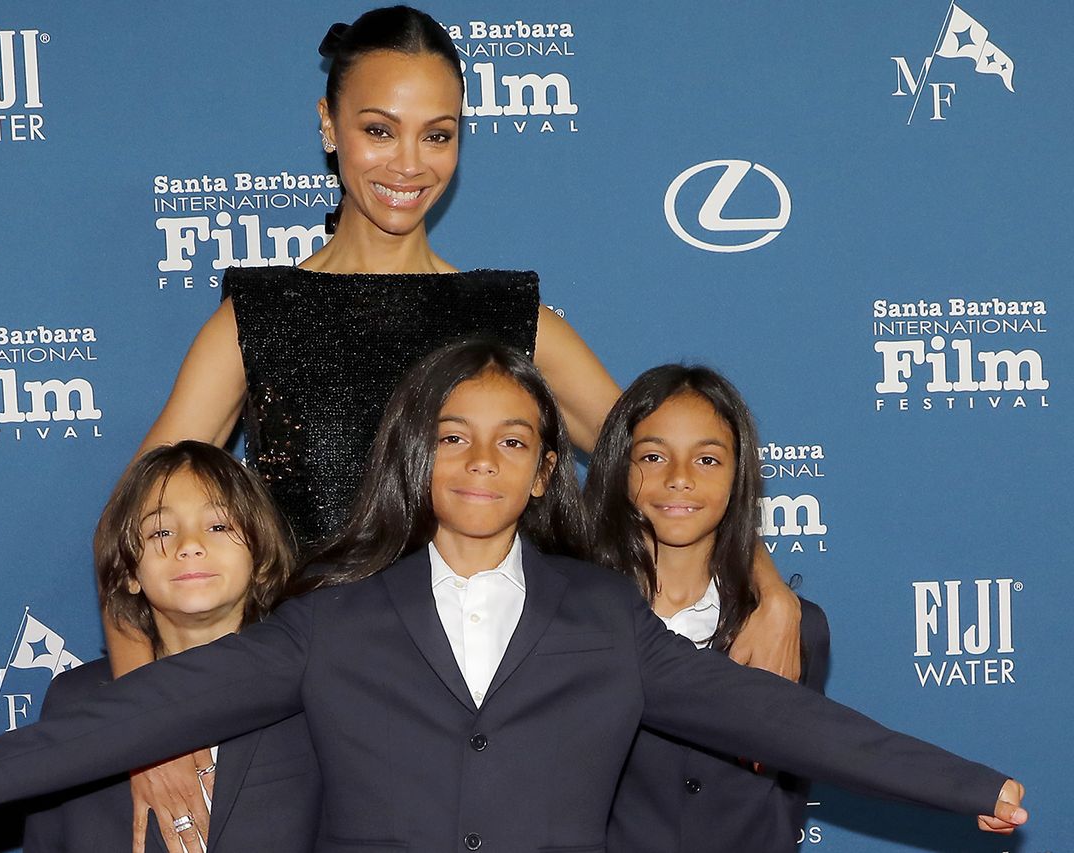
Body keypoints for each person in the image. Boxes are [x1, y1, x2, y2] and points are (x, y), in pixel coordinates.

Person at [113, 7, 802, 846]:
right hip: (319, 726)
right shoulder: (257, 316)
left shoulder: (509, 317)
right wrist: (141, 726)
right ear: (327, 126)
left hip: (498, 730)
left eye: (437, 135)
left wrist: (770, 588)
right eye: (379, 130)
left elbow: (663, 457)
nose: (409, 164)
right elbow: (130, 528)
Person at [0, 342, 1027, 852]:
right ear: (420, 460)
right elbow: (157, 704)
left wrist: (960, 783)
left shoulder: (602, 620)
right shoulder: (334, 620)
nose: (481, 463)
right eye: (454, 439)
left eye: (512, 442)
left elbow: (780, 718)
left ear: (548, 469)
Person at [23, 441, 320, 853]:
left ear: (261, 557)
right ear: (129, 572)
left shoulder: (315, 690)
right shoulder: (75, 700)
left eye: (218, 526)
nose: (189, 545)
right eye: (161, 531)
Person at [585, 366, 828, 853]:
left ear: (740, 477)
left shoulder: (796, 628)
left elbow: (787, 792)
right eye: (653, 456)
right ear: (618, 466)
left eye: (708, 460)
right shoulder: (571, 617)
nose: (679, 479)